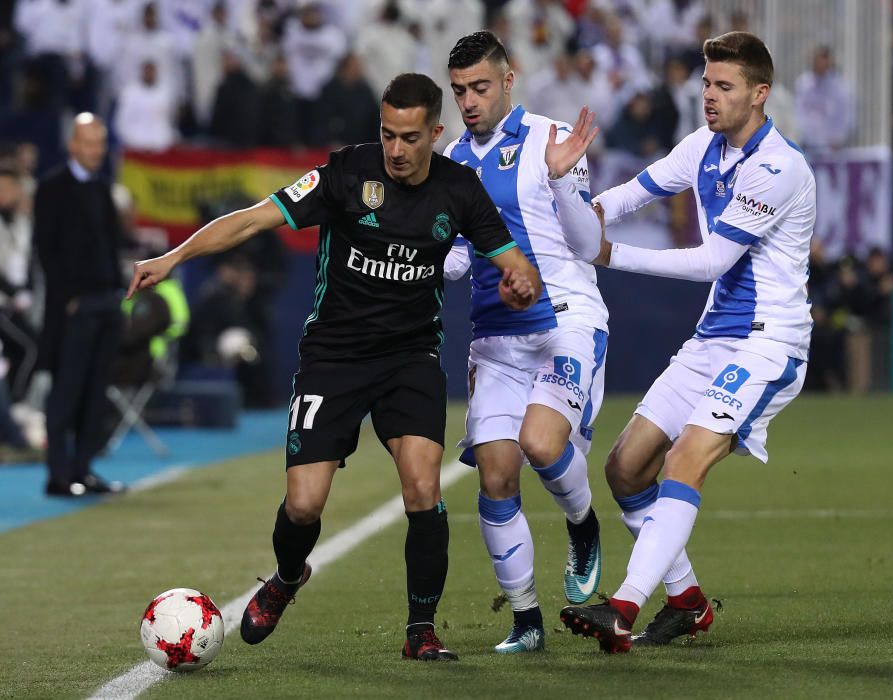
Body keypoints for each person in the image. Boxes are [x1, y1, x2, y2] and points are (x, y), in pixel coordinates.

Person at [127, 73, 541, 662]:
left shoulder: (461, 190)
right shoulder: (346, 174)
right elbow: (252, 219)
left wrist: (520, 279)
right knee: (303, 505)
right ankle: (288, 576)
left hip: (410, 358)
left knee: (423, 487)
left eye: (410, 137)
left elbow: (513, 260)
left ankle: (420, 631)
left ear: (436, 133)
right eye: (388, 134)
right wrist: (173, 256)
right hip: (334, 357)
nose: (396, 150)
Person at [551, 31, 816, 652]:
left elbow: (711, 263)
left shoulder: (779, 167)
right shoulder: (704, 145)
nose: (709, 97)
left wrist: (609, 253)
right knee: (624, 468)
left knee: (683, 459)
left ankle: (621, 607)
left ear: (759, 94)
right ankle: (690, 603)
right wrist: (572, 205)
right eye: (705, 84)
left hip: (768, 343)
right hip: (712, 340)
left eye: (724, 87)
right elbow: (633, 193)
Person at [441, 31, 608, 654]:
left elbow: (588, 243)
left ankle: (583, 524)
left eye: (480, 87)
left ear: (509, 81)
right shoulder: (452, 162)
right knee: (495, 473)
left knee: (541, 444)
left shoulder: (551, 138)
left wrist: (564, 181)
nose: (469, 101)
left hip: (565, 317)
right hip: (495, 337)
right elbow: (458, 261)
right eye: (459, 91)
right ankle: (527, 619)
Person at [34, 113, 126, 497]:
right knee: (67, 392)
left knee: (95, 391)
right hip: (74, 307)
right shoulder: (52, 187)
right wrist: (68, 298)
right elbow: (46, 249)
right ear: (72, 144)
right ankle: (58, 475)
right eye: (89, 143)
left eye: (100, 144)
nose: (95, 151)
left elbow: (111, 245)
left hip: (105, 302)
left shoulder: (103, 189)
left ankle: (82, 469)